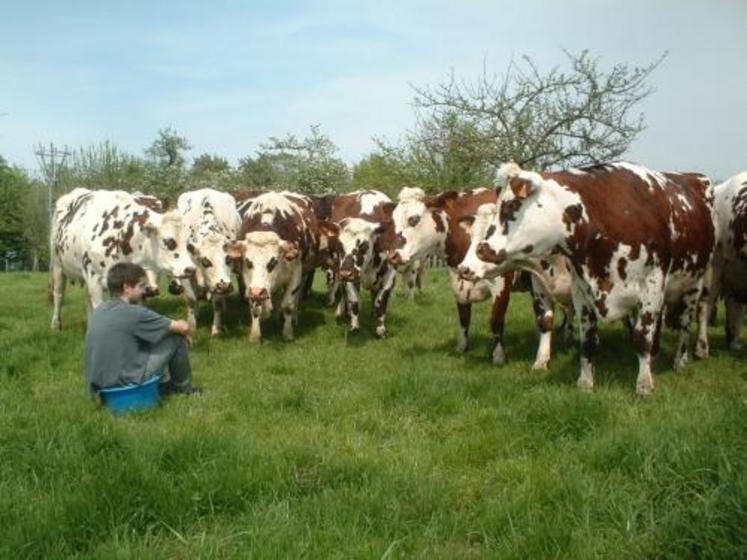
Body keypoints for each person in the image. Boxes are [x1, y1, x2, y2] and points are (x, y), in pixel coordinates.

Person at [85, 262, 202, 397]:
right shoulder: (135, 313)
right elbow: (184, 327)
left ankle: (163, 384)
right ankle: (184, 391)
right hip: (126, 383)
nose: (144, 291)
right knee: (176, 337)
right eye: (141, 286)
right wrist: (183, 328)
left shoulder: (100, 310)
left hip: (100, 386)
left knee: (153, 337)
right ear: (127, 288)